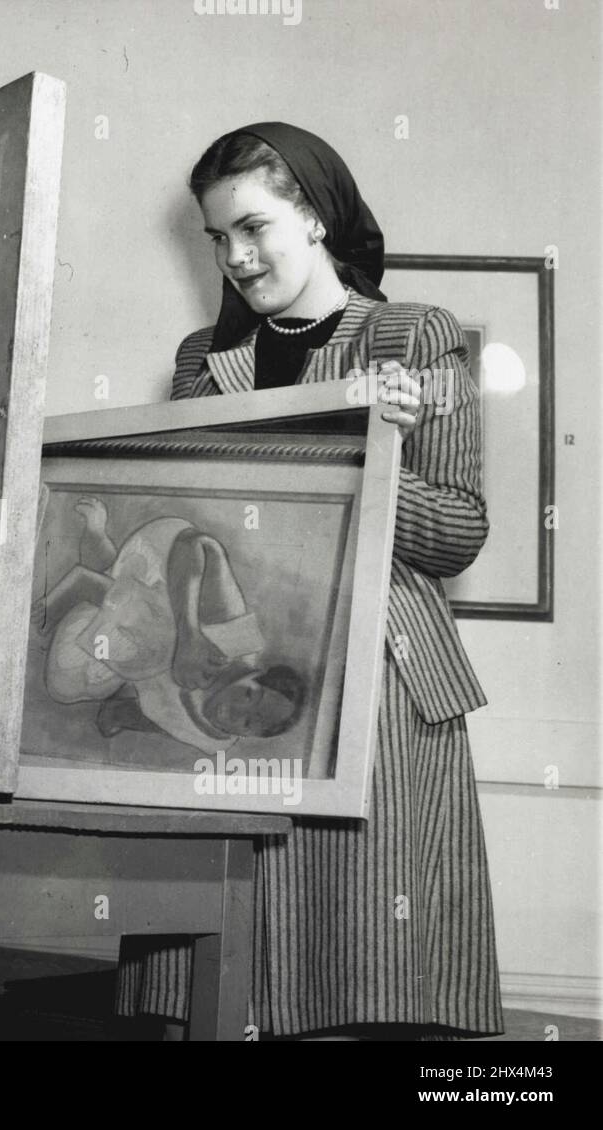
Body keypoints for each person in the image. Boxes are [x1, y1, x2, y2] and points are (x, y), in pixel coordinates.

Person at [115, 122, 502, 1039]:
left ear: (317, 218)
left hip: (377, 699)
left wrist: (376, 458)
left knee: (366, 980)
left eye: (254, 228)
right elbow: (198, 525)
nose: (236, 257)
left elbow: (458, 533)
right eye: (218, 239)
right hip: (234, 688)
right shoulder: (200, 365)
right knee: (221, 985)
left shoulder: (417, 339)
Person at [36, 499, 305, 753]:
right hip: (157, 584)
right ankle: (89, 570)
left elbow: (167, 723)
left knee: (65, 690)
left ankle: (101, 587)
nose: (233, 712)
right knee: (158, 638)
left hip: (129, 657)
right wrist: (190, 637)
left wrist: (118, 715)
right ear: (253, 673)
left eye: (247, 724)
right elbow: (196, 543)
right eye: (248, 695)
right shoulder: (234, 638)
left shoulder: (214, 740)